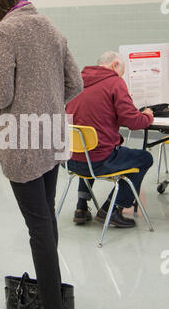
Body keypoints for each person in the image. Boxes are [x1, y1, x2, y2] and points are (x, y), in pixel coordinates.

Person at [0, 0, 83, 309]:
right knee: (46, 220)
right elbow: (76, 84)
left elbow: (1, 91)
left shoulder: (5, 33)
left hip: (21, 142)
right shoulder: (49, 26)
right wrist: (47, 104)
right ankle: (54, 304)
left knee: (38, 228)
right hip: (50, 137)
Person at [66, 51, 154, 227]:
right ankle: (112, 209)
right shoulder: (114, 82)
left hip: (71, 159)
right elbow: (133, 122)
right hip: (100, 161)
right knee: (145, 158)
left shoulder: (77, 82)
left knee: (88, 150)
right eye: (122, 71)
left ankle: (81, 208)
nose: (122, 76)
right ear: (115, 65)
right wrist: (147, 116)